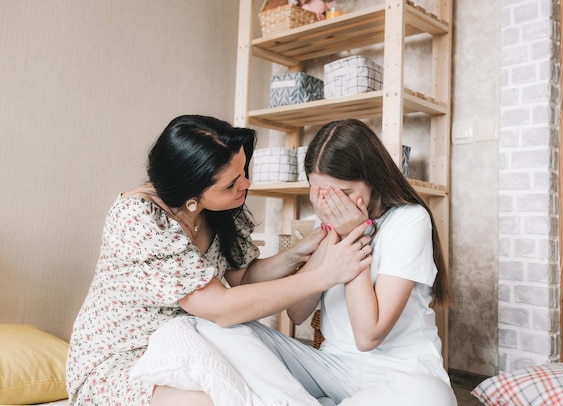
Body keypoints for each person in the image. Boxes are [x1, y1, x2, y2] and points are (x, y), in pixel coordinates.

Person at [65, 115, 373, 405]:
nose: (246, 184)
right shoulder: (139, 218)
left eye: (243, 172)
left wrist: (298, 253)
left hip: (194, 343)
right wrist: (322, 276)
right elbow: (221, 309)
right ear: (192, 193)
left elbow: (243, 277)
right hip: (123, 360)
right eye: (231, 183)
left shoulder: (217, 210)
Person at [246, 118, 457, 405]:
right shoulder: (329, 221)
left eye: (343, 194)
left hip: (399, 375)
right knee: (227, 329)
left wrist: (353, 236)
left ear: (373, 180)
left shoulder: (410, 220)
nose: (331, 205)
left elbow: (368, 337)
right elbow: (297, 313)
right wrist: (332, 232)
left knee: (431, 398)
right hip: (332, 368)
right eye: (320, 193)